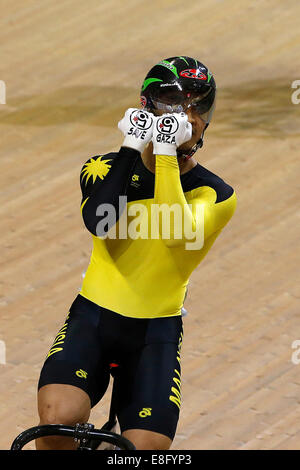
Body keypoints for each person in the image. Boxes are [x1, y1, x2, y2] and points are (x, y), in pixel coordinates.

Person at [36, 56, 237, 450]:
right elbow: (100, 222)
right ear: (148, 107)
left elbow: (178, 233)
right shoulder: (100, 168)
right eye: (178, 106)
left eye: (199, 107)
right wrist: (133, 146)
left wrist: (163, 154)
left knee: (145, 449)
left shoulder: (215, 194)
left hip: (154, 334)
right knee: (56, 422)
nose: (190, 118)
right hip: (93, 318)